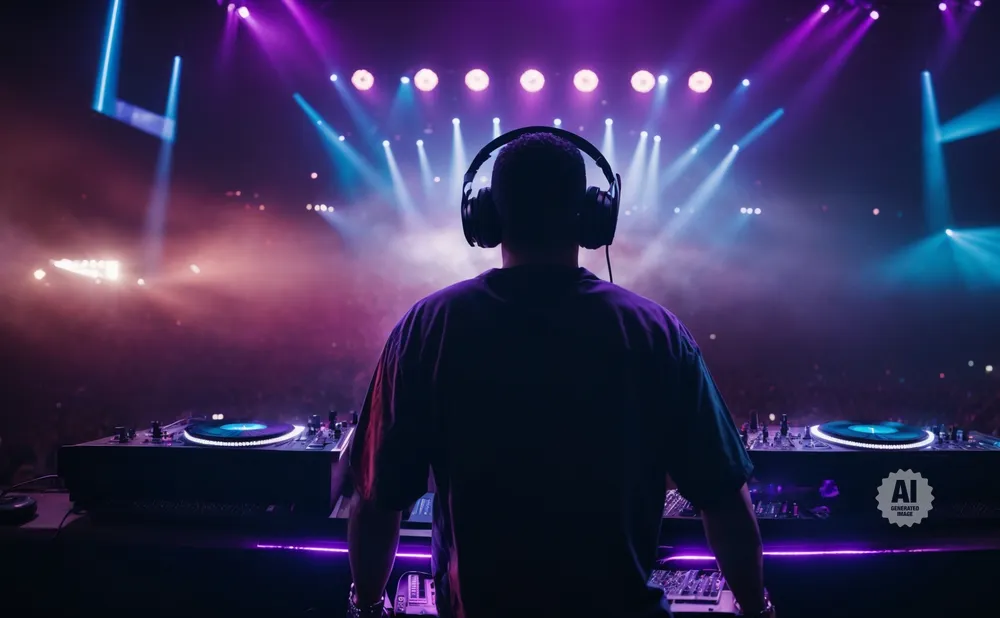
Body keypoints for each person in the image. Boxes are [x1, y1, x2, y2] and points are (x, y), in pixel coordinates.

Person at [346, 131, 771, 618]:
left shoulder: (427, 328)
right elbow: (724, 499)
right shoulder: (657, 333)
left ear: (485, 216)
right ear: (592, 216)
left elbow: (376, 499)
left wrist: (369, 605)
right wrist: (757, 608)